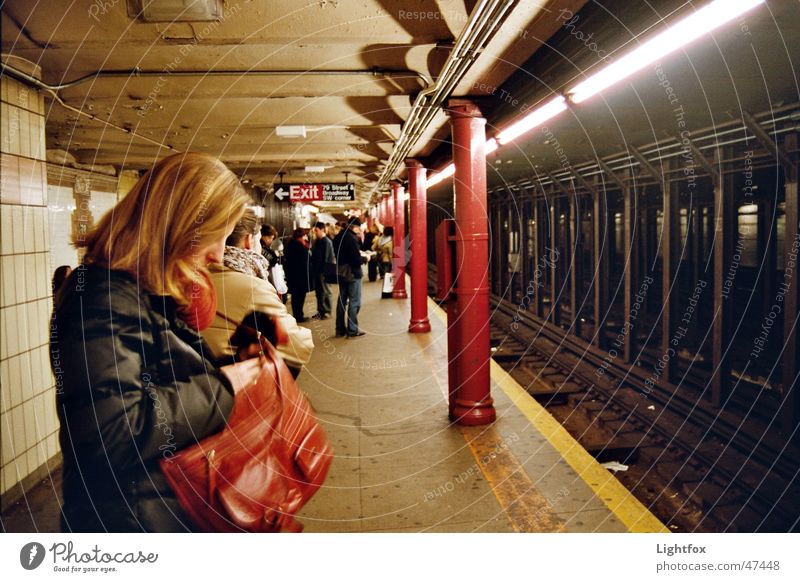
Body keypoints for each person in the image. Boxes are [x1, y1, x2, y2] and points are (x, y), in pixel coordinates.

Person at [50, 152, 261, 532]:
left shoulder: (135, 292)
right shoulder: (102, 298)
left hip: (154, 509)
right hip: (127, 522)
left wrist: (227, 363)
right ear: (180, 225)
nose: (218, 253)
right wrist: (227, 387)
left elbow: (155, 378)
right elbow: (113, 432)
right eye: (217, 233)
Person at [202, 210, 314, 378]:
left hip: (192, 383)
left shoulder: (191, 279)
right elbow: (297, 346)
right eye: (259, 238)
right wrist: (306, 334)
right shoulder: (253, 288)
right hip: (236, 384)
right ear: (249, 240)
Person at [334, 217, 365, 338]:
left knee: (341, 302)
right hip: (353, 273)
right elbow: (355, 259)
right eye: (359, 227)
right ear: (354, 227)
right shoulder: (351, 238)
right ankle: (352, 330)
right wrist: (364, 258)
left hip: (342, 273)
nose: (360, 229)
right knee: (354, 302)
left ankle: (340, 329)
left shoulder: (339, 236)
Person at [284, 228, 312, 322]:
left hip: (293, 276)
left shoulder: (291, 245)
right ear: (301, 236)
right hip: (299, 277)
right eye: (304, 235)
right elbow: (304, 261)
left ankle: (298, 315)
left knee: (296, 297)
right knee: (299, 297)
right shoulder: (299, 246)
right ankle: (298, 316)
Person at [310, 221, 334, 319]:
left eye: (316, 230)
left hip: (324, 270)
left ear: (322, 229)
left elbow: (326, 258)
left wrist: (325, 271)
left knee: (326, 291)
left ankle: (327, 311)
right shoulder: (317, 241)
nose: (315, 232)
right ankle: (321, 311)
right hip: (317, 270)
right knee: (319, 292)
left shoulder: (326, 242)